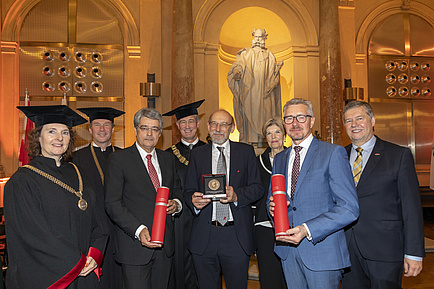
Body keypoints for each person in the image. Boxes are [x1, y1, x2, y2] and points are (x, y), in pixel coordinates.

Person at [4, 105, 108, 289]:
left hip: (85, 273)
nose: (59, 138)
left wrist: (94, 253)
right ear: (38, 136)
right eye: (52, 131)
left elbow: (98, 222)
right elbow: (34, 235)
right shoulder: (22, 181)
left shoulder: (80, 173)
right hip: (51, 276)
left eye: (65, 132)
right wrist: (78, 260)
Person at [268, 98, 359, 289]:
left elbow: (349, 208)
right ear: (284, 123)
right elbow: (279, 202)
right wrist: (273, 209)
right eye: (289, 118)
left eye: (301, 117)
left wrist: (307, 229)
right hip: (288, 252)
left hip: (322, 252)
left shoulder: (333, 153)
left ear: (312, 120)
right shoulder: (280, 158)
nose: (295, 123)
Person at [341, 101, 425, 289]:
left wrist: (413, 253)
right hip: (346, 249)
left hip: (384, 249)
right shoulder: (338, 156)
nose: (354, 124)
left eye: (359, 118)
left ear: (372, 120)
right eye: (348, 120)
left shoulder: (398, 155)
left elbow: (411, 207)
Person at [184, 109, 264, 289]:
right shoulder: (197, 154)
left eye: (223, 124)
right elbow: (188, 190)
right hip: (205, 236)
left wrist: (237, 196)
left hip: (235, 236)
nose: (218, 128)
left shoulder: (246, 152)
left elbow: (258, 188)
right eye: (214, 124)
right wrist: (193, 201)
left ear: (232, 128)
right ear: (207, 127)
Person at [105, 108, 183, 289]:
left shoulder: (168, 159)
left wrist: (176, 204)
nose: (149, 133)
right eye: (144, 128)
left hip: (164, 248)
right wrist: (139, 230)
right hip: (134, 248)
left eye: (155, 129)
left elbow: (178, 191)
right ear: (135, 130)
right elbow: (112, 203)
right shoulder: (119, 159)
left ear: (160, 133)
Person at [73, 107, 125, 289]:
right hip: (92, 230)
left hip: (120, 230)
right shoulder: (76, 159)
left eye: (106, 125)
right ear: (90, 130)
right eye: (97, 125)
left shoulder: (125, 156)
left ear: (112, 129)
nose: (102, 129)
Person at [163, 99, 206, 289]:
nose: (187, 126)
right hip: (179, 220)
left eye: (191, 122)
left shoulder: (210, 150)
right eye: (183, 123)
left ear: (197, 124)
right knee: (180, 266)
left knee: (205, 267)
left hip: (206, 217)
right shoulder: (166, 155)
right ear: (177, 126)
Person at [227, 28, 283, 145]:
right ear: (253, 38)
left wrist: (272, 84)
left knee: (267, 116)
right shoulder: (246, 53)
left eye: (260, 37)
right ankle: (250, 141)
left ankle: (265, 141)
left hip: (266, 95)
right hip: (250, 94)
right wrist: (237, 72)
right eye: (256, 37)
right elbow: (239, 65)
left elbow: (275, 75)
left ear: (264, 39)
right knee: (249, 114)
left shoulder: (270, 56)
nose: (258, 40)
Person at [254, 118, 287, 289]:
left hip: (291, 228)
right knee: (269, 276)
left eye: (277, 132)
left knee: (290, 275)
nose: (273, 136)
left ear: (284, 135)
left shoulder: (294, 159)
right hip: (264, 228)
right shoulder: (256, 163)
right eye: (269, 133)